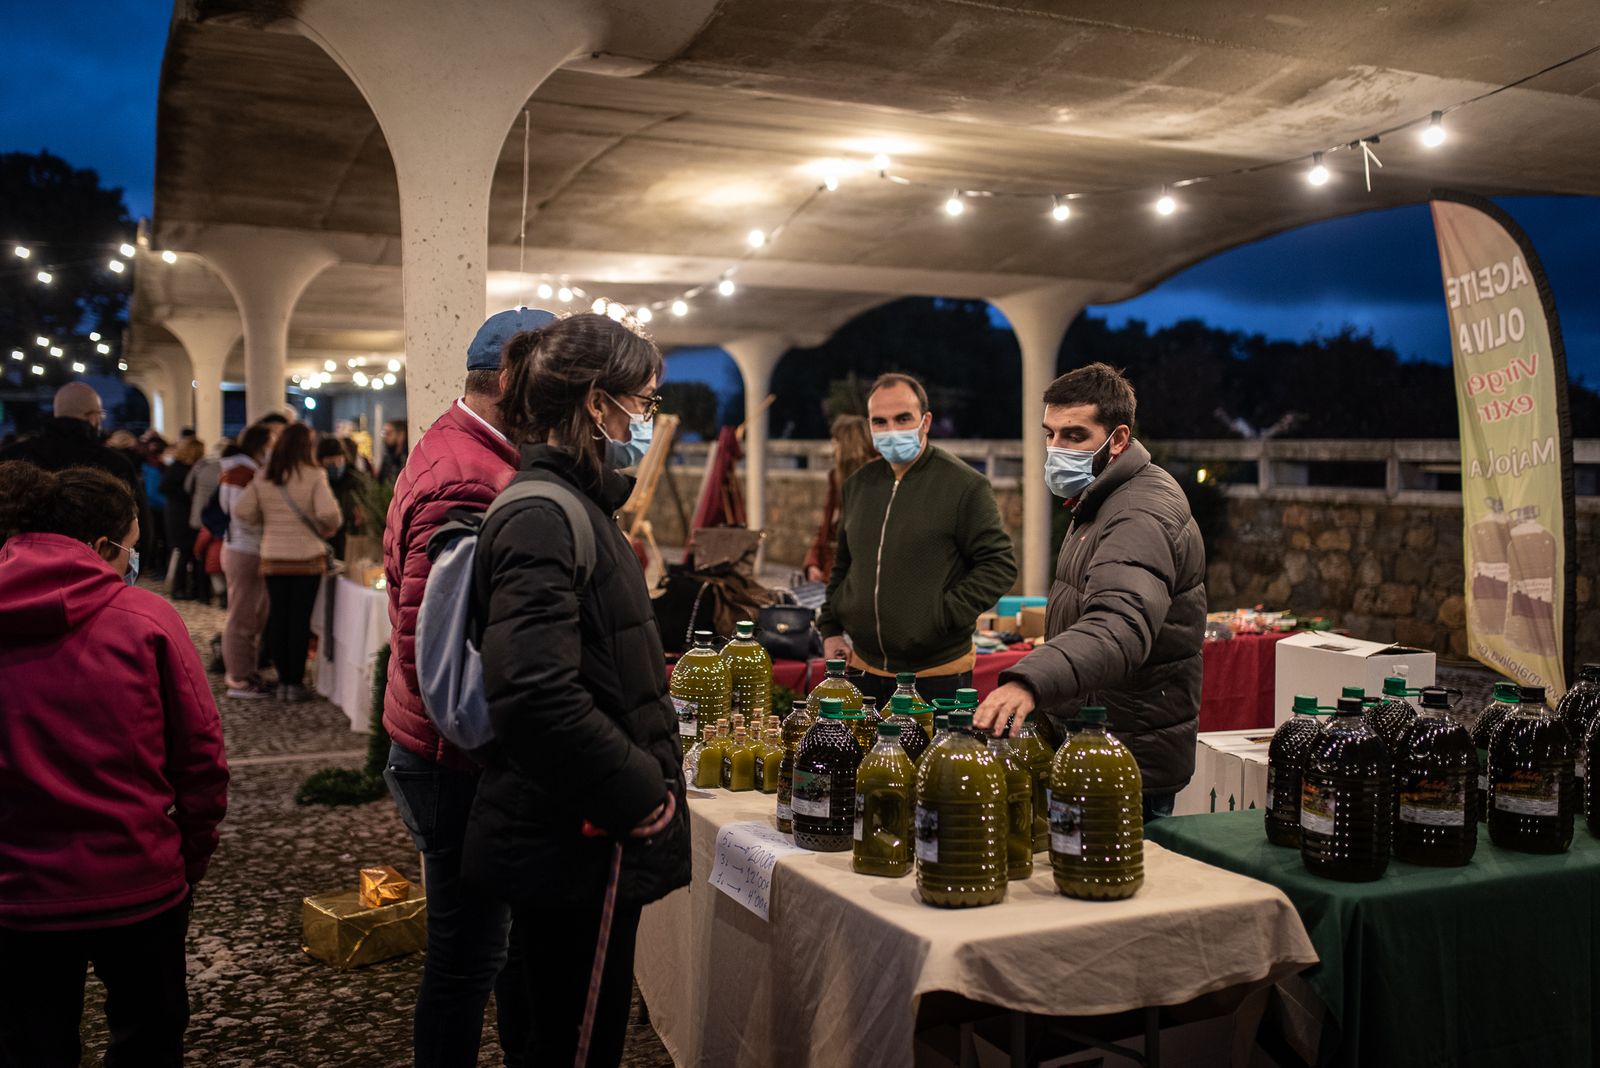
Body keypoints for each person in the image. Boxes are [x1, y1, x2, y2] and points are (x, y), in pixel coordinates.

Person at [462, 313, 688, 1068]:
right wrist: (639, 793)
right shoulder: (541, 515)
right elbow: (533, 693)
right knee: (571, 1042)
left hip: (573, 833)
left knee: (556, 1032)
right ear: (599, 404)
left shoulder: (570, 505)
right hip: (576, 835)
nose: (646, 421)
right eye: (644, 402)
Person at [0, 462, 228, 1068]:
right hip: (138, 881)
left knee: (31, 1044)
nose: (134, 561)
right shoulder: (147, 621)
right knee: (149, 1039)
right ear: (104, 547)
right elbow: (201, 759)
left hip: (18, 895)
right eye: (131, 547)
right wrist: (190, 856)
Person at [382, 307, 553, 1067]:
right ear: (517, 383)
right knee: (467, 960)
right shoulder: (473, 479)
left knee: (486, 950)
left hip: (438, 749)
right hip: (456, 761)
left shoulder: (461, 448)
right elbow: (446, 658)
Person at [974, 363, 1206, 821]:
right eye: (1050, 434)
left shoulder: (1139, 512)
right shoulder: (1102, 499)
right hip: (1095, 746)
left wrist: (1030, 680)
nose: (1056, 449)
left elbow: (1118, 625)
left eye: (1074, 436)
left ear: (1117, 440)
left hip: (1125, 761)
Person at [816, 372, 1018, 705]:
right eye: (879, 421)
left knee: (929, 759)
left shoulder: (964, 485)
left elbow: (999, 565)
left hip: (936, 675)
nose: (892, 430)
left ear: (925, 422)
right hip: (863, 669)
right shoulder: (858, 485)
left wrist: (941, 616)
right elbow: (844, 564)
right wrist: (831, 628)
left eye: (903, 418)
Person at [233, 423, 341, 703]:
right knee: (299, 620)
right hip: (306, 560)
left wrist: (265, 522)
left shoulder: (265, 475)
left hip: (273, 558)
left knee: (278, 618)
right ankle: (295, 682)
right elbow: (330, 514)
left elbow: (242, 511)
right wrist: (323, 527)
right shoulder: (314, 474)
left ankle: (281, 682)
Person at [0, 382, 143, 506]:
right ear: (92, 416)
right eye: (100, 415)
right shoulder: (116, 464)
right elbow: (137, 525)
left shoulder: (11, 458)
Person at [218, 424, 276, 698]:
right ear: (260, 444)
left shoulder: (243, 471)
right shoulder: (242, 473)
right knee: (242, 615)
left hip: (246, 547)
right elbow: (241, 514)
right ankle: (238, 678)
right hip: (244, 549)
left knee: (252, 614)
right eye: (272, 440)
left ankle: (246, 671)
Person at [803, 414, 873, 583]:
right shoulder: (836, 477)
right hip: (833, 571)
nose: (833, 446)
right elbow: (826, 526)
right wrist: (812, 563)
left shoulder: (877, 476)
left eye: (836, 440)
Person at [161, 438, 205, 599]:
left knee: (185, 552)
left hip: (177, 514)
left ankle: (185, 588)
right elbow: (167, 488)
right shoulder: (183, 468)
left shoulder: (176, 467)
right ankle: (182, 589)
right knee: (186, 551)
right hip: (182, 515)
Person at [186, 440, 227, 605]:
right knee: (216, 556)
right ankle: (217, 593)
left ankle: (201, 593)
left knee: (200, 556)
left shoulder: (201, 464)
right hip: (217, 518)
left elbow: (188, 486)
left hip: (198, 515)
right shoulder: (227, 470)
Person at [317, 436, 370, 561]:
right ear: (320, 461)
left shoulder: (358, 480)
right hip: (324, 541)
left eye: (339, 459)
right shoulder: (318, 483)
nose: (335, 465)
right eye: (330, 461)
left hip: (351, 538)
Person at [380, 418, 409, 483]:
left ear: (401, 435)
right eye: (384, 433)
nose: (385, 437)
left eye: (388, 433)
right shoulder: (387, 459)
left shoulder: (408, 458)